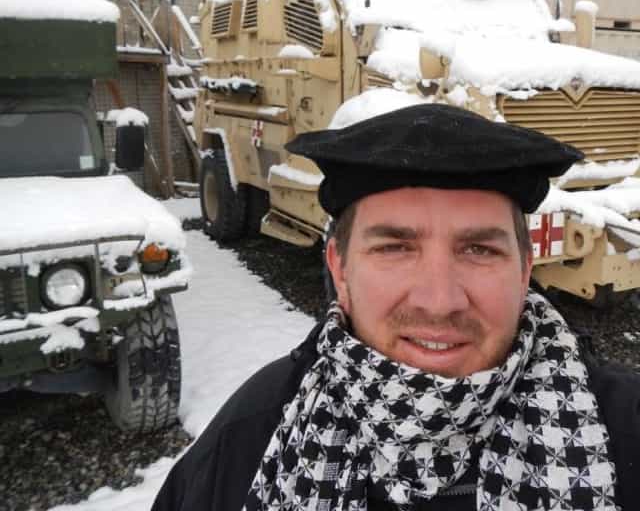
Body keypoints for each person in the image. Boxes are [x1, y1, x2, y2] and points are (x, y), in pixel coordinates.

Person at [152, 103, 640, 511]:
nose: (439, 301)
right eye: (394, 248)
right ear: (340, 271)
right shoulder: (249, 437)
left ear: (523, 269)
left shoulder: (626, 428)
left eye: (479, 250)